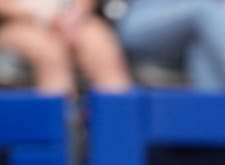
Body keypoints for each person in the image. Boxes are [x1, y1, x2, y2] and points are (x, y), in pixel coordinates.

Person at [114, 0, 225, 93]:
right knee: (207, 11)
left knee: (202, 46)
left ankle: (214, 135)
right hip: (137, 23)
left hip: (196, 32)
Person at [0, 0, 132, 95]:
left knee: (100, 46)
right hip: (16, 22)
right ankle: (60, 127)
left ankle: (120, 125)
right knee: (50, 53)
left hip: (72, 19)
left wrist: (74, 16)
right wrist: (46, 19)